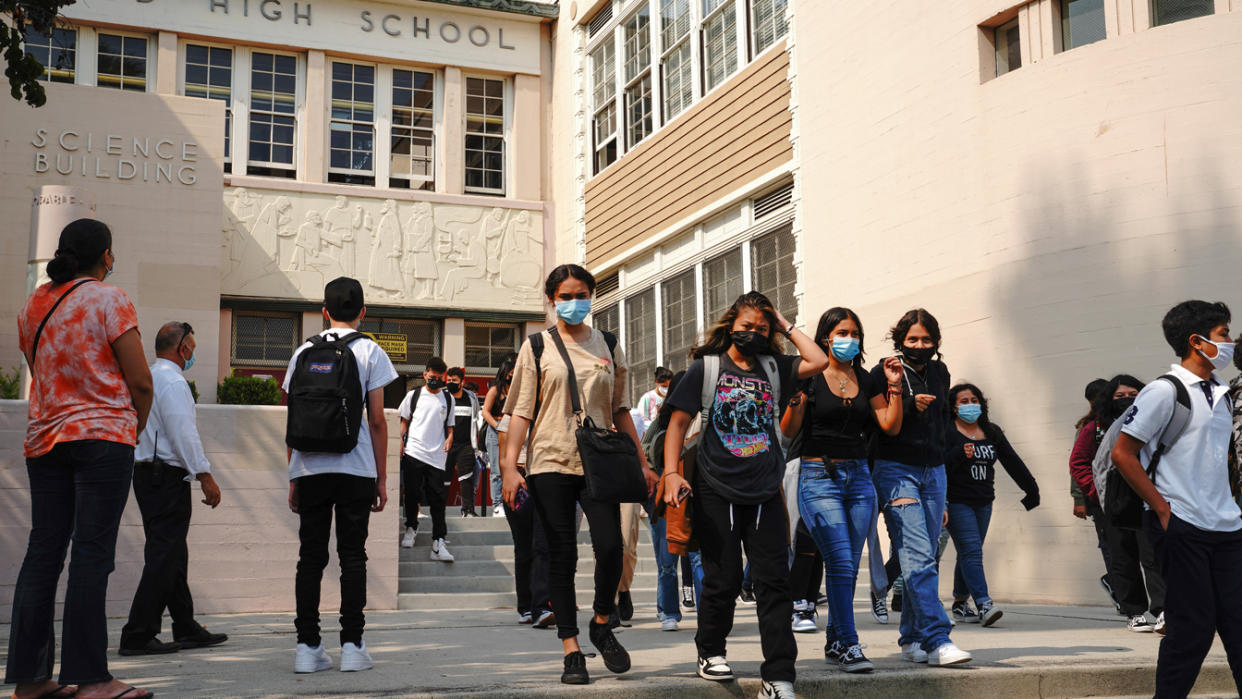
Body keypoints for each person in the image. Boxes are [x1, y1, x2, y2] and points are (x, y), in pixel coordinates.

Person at [6, 219, 155, 699]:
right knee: (92, 554)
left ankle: (30, 682)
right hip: (101, 439)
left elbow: (42, 373)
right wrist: (135, 426)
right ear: (106, 256)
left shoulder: (33, 305)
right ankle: (92, 679)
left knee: (43, 552)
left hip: (45, 440)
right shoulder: (109, 298)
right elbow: (141, 382)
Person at [661, 291, 829, 699]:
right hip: (716, 487)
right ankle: (711, 650)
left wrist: (785, 323)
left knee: (774, 583)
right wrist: (669, 473)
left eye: (761, 327)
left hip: (765, 487)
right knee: (724, 578)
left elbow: (819, 360)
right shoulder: (706, 368)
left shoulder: (775, 367)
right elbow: (679, 423)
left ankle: (778, 677)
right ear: (730, 324)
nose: (753, 333)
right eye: (746, 325)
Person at [500, 264, 657, 685]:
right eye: (565, 296)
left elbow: (621, 409)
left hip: (600, 461)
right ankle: (571, 649)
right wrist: (509, 467)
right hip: (550, 461)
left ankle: (601, 622)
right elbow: (519, 412)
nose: (574, 302)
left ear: (592, 295)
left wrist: (642, 464)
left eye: (581, 293)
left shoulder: (608, 344)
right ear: (552, 300)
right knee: (561, 555)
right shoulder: (536, 347)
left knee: (611, 547)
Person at [1113, 301, 1242, 697]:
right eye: (1223, 334)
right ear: (1196, 342)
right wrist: (1164, 509)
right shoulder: (1164, 392)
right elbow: (1123, 452)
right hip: (1183, 524)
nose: (1230, 341)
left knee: (1238, 625)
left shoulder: (1221, 394)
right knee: (1192, 628)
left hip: (1227, 525)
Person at [779, 306, 903, 673]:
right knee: (841, 559)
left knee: (846, 566)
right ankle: (849, 644)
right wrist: (796, 401)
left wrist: (894, 385)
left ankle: (835, 641)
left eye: (854, 333)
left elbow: (889, 425)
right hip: (818, 476)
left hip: (859, 477)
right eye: (841, 333)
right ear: (825, 339)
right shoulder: (810, 377)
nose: (849, 339)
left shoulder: (867, 380)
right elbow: (788, 431)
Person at [285, 277, 396, 674]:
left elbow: (294, 417)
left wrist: (293, 475)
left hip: (310, 467)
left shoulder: (301, 352)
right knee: (353, 556)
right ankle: (352, 645)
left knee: (310, 558)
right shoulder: (370, 351)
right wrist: (381, 479)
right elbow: (379, 421)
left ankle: (307, 647)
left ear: (323, 311)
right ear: (363, 312)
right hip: (355, 468)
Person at [118, 322, 227, 657]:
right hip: (165, 477)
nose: (193, 353)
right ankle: (137, 634)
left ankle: (185, 624)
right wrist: (204, 474)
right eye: (192, 347)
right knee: (165, 556)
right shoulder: (174, 381)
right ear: (183, 350)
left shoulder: (148, 376)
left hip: (145, 474)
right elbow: (182, 432)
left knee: (172, 552)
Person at [869, 308, 971, 666]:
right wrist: (909, 405)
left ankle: (911, 638)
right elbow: (879, 422)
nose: (920, 345)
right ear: (901, 341)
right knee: (916, 555)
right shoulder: (883, 370)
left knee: (924, 558)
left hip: (934, 472)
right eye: (912, 339)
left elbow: (944, 422)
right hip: (896, 470)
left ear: (936, 342)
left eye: (926, 339)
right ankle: (938, 638)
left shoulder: (941, 371)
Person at [1071, 374, 1165, 632]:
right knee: (1122, 558)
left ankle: (1161, 610)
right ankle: (1135, 612)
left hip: (1146, 498)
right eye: (1120, 396)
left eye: (1133, 395)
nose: (1127, 400)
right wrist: (1096, 493)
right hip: (1111, 503)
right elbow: (1079, 462)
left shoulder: (1155, 422)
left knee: (1152, 555)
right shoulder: (1095, 427)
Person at [943, 383, 1040, 627]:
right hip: (956, 501)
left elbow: (1012, 460)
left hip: (984, 501)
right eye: (963, 401)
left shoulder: (991, 431)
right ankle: (984, 603)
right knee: (972, 551)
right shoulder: (947, 432)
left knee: (968, 552)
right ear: (953, 407)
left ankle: (959, 602)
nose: (969, 405)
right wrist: (957, 453)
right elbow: (937, 465)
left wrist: (1031, 488)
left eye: (974, 399)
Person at [640, 370, 705, 632]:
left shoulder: (706, 417)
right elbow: (644, 457)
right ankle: (668, 611)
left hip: (698, 496)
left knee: (699, 559)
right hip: (666, 497)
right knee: (667, 562)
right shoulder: (661, 422)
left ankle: (706, 611)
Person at [494, 360, 554, 628]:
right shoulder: (509, 418)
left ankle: (542, 606)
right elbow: (504, 459)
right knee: (525, 548)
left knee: (543, 545)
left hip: (544, 482)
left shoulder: (547, 415)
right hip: (518, 486)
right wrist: (517, 478)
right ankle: (525, 607)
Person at [398, 358, 455, 561]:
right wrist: (400, 441)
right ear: (425, 375)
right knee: (412, 493)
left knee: (438, 499)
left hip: (437, 455)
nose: (436, 381)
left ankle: (439, 541)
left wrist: (449, 439)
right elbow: (403, 421)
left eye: (440, 378)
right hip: (414, 451)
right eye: (432, 377)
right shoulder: (413, 396)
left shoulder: (448, 399)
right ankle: (411, 526)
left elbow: (450, 427)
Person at [1071, 378, 1120, 612]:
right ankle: (1117, 587)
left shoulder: (1120, 421)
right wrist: (1080, 499)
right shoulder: (1089, 428)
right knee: (1109, 544)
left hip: (1124, 494)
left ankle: (1119, 583)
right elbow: (1078, 464)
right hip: (1098, 497)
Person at [482, 353, 518, 517]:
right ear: (504, 373)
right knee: (496, 469)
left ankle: (511, 501)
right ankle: (497, 504)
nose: (513, 376)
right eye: (511, 374)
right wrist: (497, 426)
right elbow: (485, 412)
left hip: (513, 431)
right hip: (495, 430)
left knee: (512, 467)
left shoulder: (517, 389)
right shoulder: (495, 389)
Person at [445, 367, 483, 517]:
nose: (451, 383)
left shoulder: (471, 398)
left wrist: (477, 446)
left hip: (466, 445)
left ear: (462, 382)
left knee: (466, 477)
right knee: (442, 480)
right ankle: (437, 509)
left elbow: (477, 419)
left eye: (454, 380)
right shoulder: (443, 397)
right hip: (445, 445)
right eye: (448, 380)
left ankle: (468, 510)